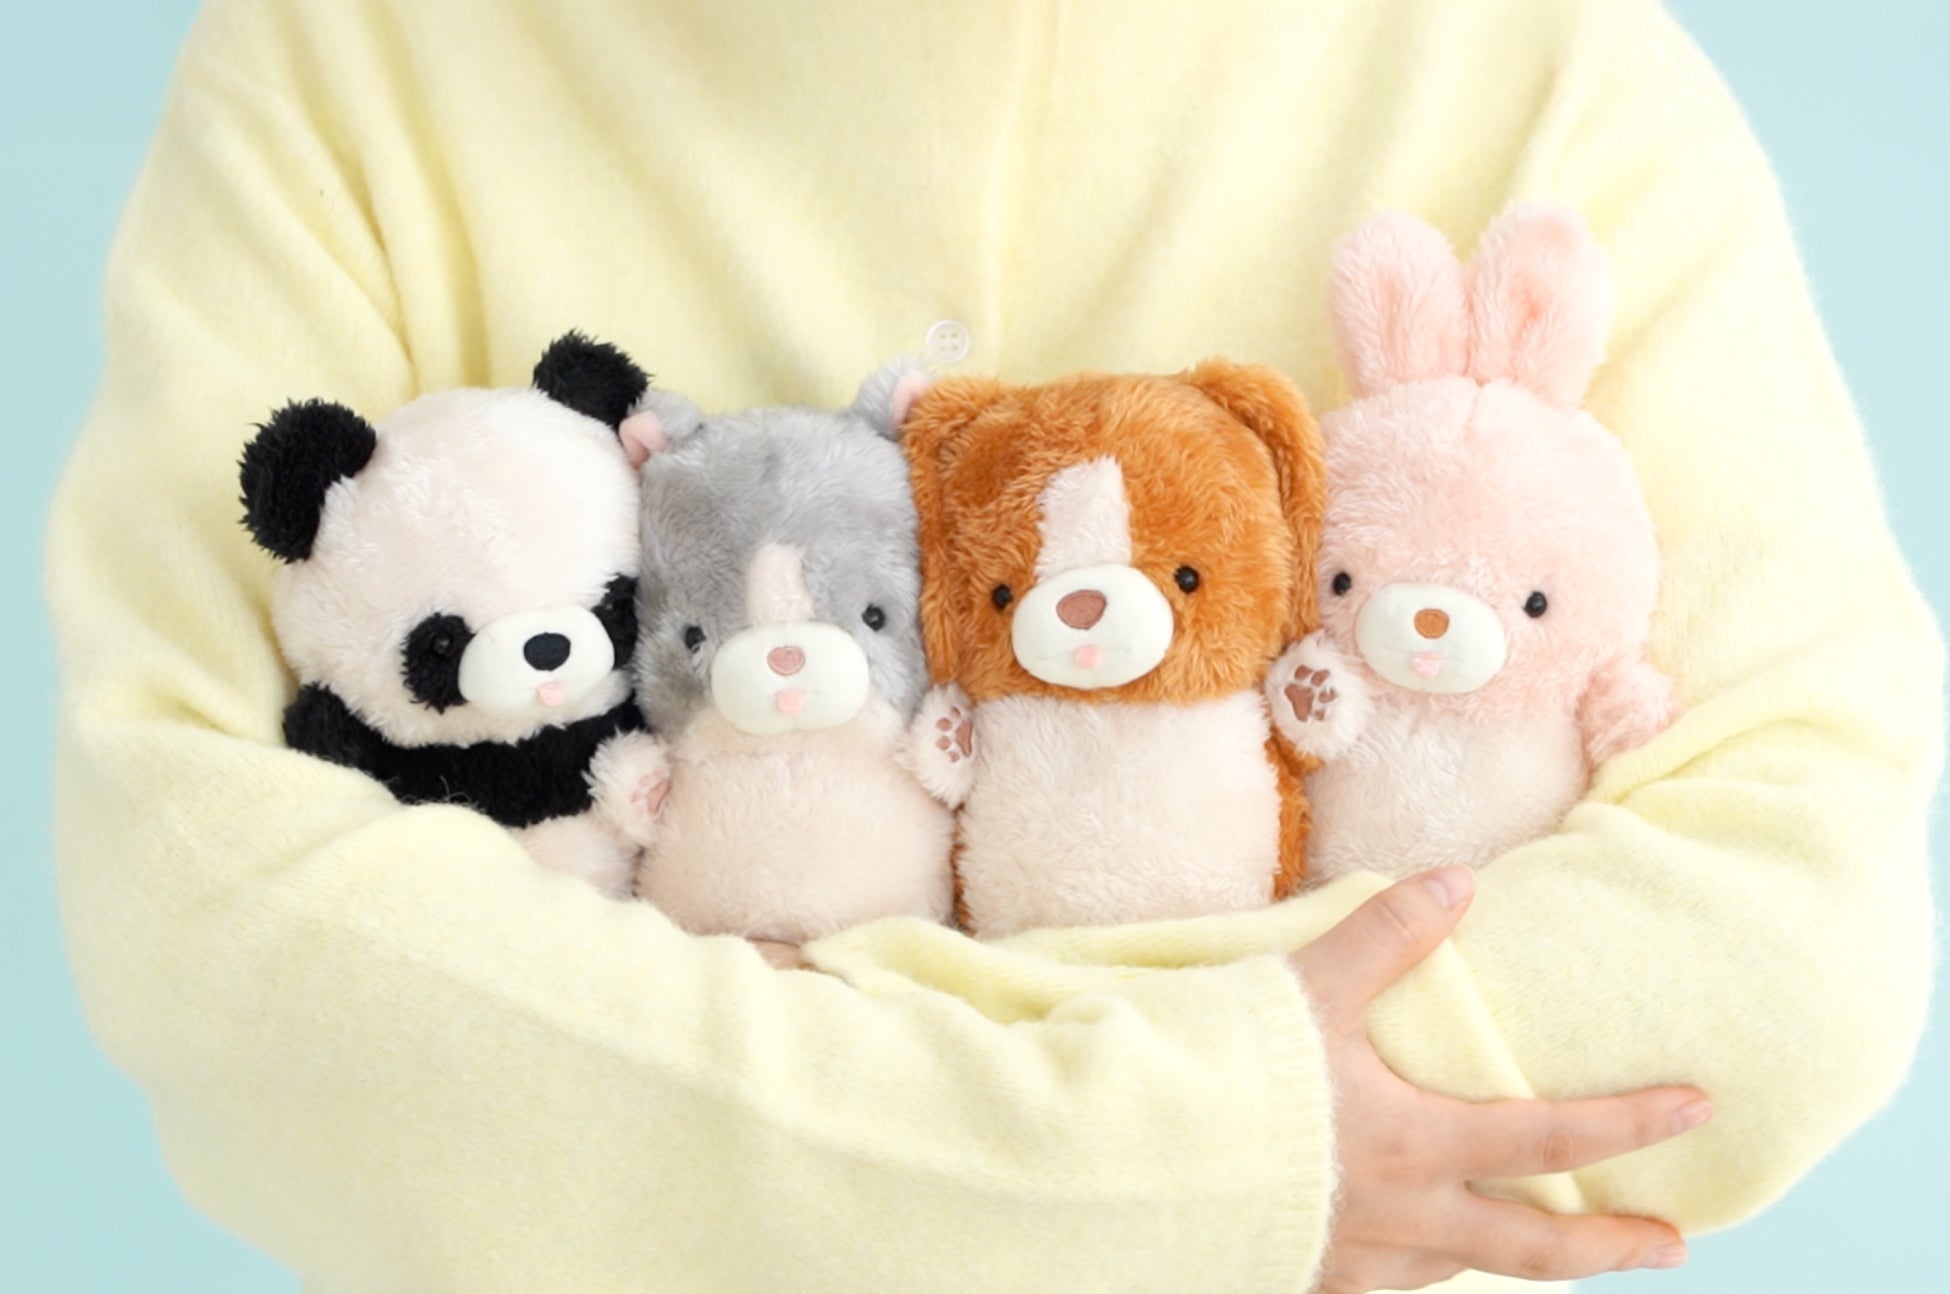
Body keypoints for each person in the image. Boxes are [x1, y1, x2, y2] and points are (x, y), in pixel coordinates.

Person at [44, 0, 1940, 1290]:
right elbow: (213, 914)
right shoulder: (349, 56)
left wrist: (699, 1072)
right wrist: (1210, 1153)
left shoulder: (1549, 69)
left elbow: (1791, 932)